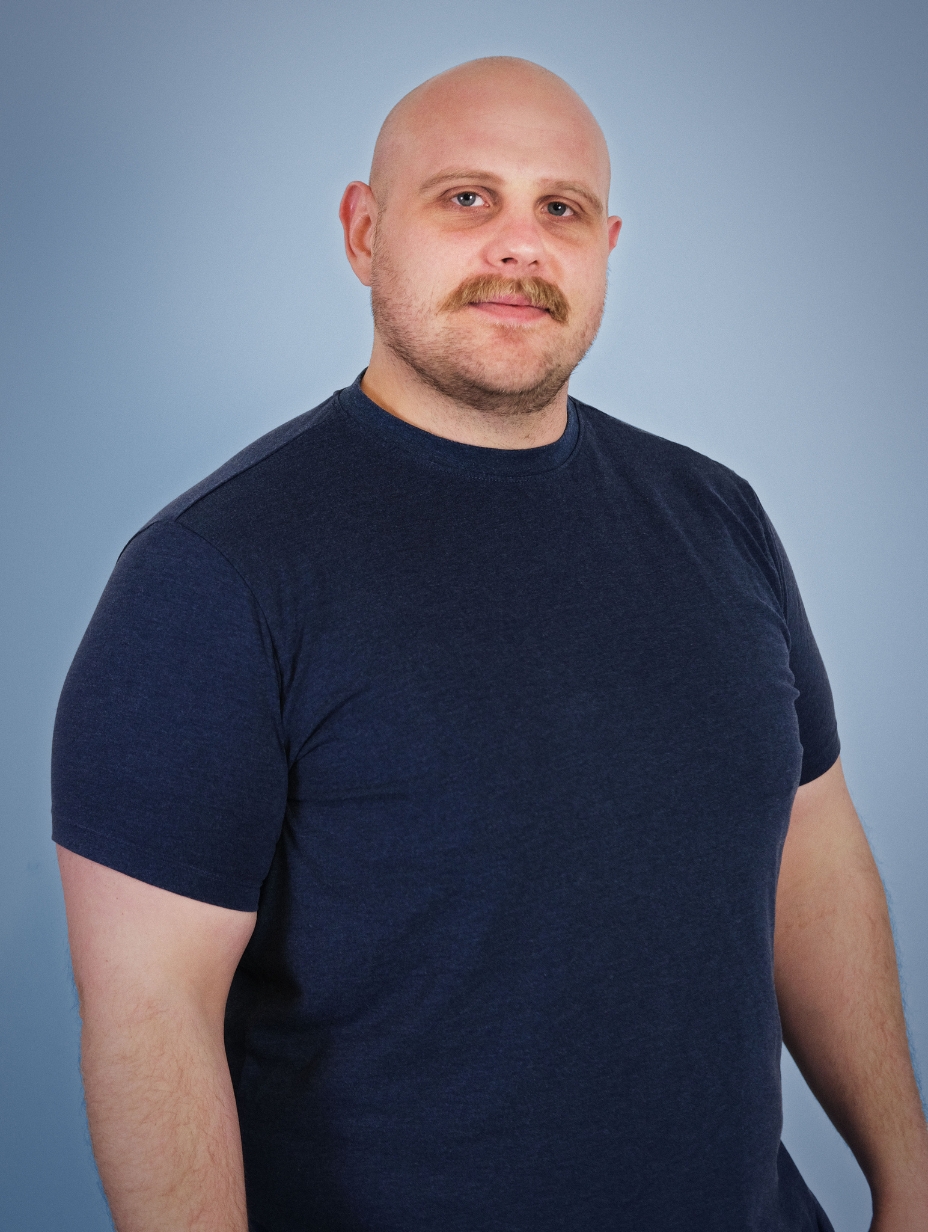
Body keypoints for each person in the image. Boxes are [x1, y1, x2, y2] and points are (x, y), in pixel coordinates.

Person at [52, 56, 928, 1232]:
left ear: (606, 244)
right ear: (366, 232)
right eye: (466, 198)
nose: (520, 244)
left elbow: (810, 853)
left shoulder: (716, 514)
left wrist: (907, 1176)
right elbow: (150, 1015)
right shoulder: (212, 574)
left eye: (558, 208)